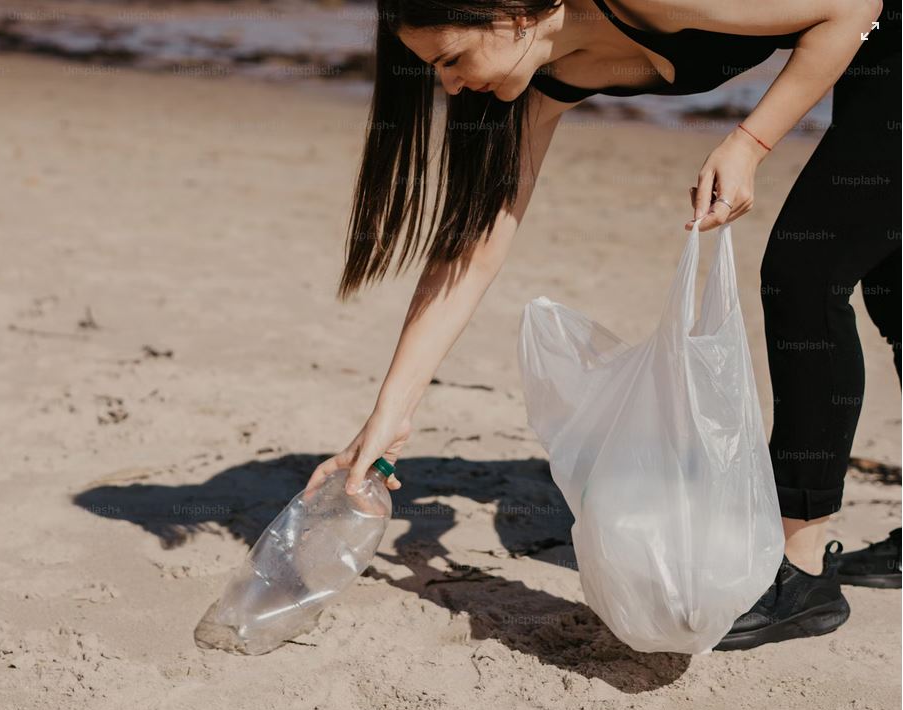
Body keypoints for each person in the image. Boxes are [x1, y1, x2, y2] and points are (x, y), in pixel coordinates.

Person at [303, 0, 901, 651]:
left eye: (451, 59)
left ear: (511, 13)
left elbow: (852, 6)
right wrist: (388, 415)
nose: (448, 84)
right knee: (890, 281)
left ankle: (801, 566)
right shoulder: (528, 86)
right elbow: (467, 253)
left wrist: (749, 143)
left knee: (807, 271)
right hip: (876, 45)